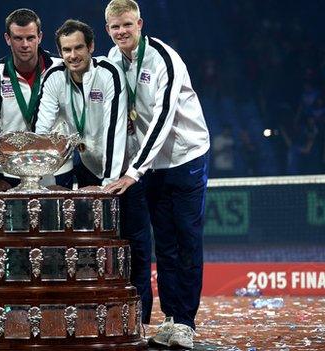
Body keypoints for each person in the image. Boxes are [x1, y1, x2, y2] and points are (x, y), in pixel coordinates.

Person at [103, 0, 211, 349]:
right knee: (163, 242)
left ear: (140, 24)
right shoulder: (112, 60)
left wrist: (134, 170)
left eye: (127, 25)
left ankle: (186, 321)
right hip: (151, 165)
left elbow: (163, 119)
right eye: (115, 27)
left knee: (186, 239)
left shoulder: (164, 58)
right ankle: (170, 318)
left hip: (185, 156)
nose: (122, 32)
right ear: (108, 30)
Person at [33, 19, 127, 189]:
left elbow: (115, 131)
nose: (73, 55)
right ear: (60, 53)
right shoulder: (54, 76)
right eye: (67, 50)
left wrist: (108, 184)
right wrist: (43, 182)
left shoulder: (108, 74)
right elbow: (42, 130)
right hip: (87, 165)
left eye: (78, 47)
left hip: (121, 168)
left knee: (133, 215)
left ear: (90, 47)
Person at [0, 8, 66, 190]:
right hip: (11, 170)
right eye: (18, 38)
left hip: (56, 168)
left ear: (39, 37)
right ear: (7, 39)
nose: (25, 44)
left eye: (30, 38)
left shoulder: (61, 69)